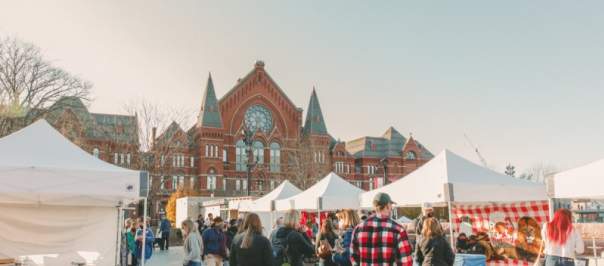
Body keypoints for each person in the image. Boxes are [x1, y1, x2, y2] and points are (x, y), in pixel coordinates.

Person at [350, 192, 413, 265]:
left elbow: (353, 258)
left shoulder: (358, 229)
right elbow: (406, 261)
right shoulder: (398, 230)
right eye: (390, 206)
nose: (391, 209)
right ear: (387, 206)